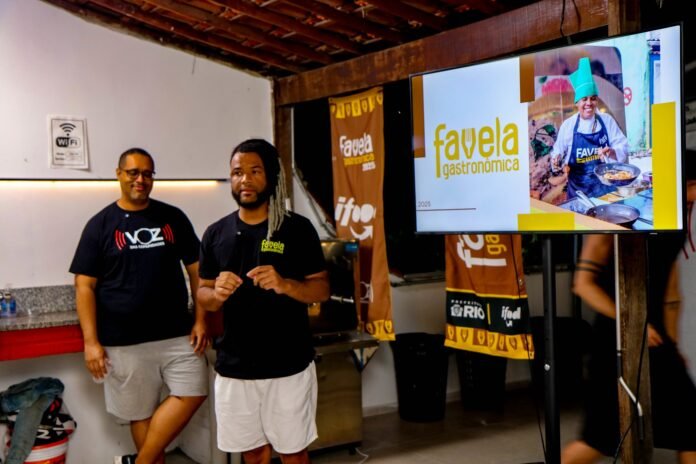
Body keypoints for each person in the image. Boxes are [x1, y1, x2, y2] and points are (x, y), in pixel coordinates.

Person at [69, 148, 209, 464]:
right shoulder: (100, 225)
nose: (141, 179)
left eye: (147, 173)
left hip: (177, 334)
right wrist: (91, 342)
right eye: (133, 172)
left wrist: (201, 320)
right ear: (119, 174)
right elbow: (84, 286)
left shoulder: (172, 217)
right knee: (140, 413)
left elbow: (197, 272)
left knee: (194, 391)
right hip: (124, 341)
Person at [197, 138, 329, 464]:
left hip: (288, 365)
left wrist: (285, 285)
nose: (245, 180)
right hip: (235, 367)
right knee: (253, 454)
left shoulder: (297, 229)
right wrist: (216, 294)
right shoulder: (215, 234)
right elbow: (203, 295)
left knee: (293, 453)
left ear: (271, 175)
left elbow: (321, 289)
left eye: (255, 171)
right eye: (237, 172)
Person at [562, 165, 696, 464]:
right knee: (598, 440)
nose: (694, 196)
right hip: (615, 339)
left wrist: (673, 344)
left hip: (656, 338)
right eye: (691, 186)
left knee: (690, 425)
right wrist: (631, 324)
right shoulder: (614, 216)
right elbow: (583, 285)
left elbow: (671, 291)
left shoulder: (674, 219)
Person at [550, 57, 630, 199]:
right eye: (584, 99)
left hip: (606, 193)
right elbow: (557, 153)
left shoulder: (606, 120)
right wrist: (556, 161)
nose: (589, 103)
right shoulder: (568, 126)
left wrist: (612, 152)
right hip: (578, 195)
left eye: (593, 98)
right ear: (577, 102)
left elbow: (623, 146)